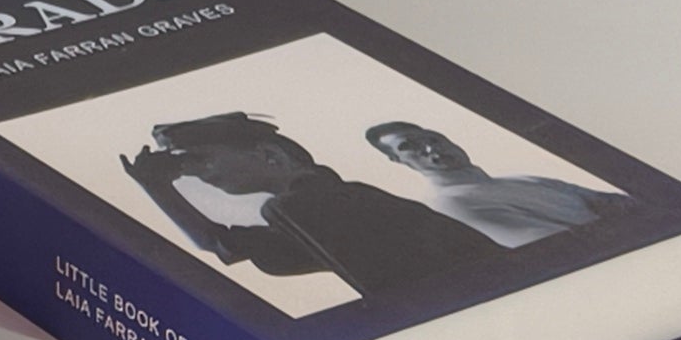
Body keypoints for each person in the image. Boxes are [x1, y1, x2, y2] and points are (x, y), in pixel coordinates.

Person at [124, 112, 504, 298]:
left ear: (271, 155)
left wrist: (156, 186)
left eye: (201, 159)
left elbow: (222, 246)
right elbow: (222, 245)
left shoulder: (300, 206)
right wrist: (157, 185)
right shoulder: (332, 200)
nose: (198, 174)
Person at [364, 121, 613, 247]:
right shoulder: (452, 204)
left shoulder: (522, 180)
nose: (430, 148)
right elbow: (556, 247)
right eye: (409, 146)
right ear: (397, 160)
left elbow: (614, 202)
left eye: (433, 139)